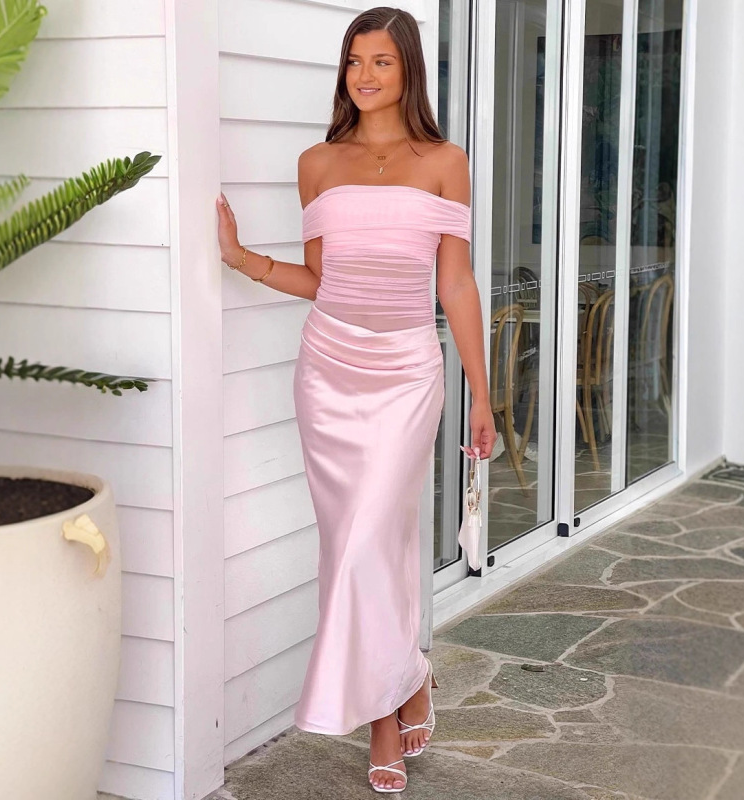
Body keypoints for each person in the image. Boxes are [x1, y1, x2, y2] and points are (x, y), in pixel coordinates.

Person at [216, 6, 495, 793]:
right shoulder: (317, 162)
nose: (364, 76)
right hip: (328, 372)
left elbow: (455, 283)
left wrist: (482, 393)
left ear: (409, 71)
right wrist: (242, 259)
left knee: (372, 537)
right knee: (357, 544)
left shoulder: (444, 161)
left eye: (382, 62)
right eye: (354, 61)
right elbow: (320, 279)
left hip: (407, 372)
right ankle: (402, 684)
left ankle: (382, 711)